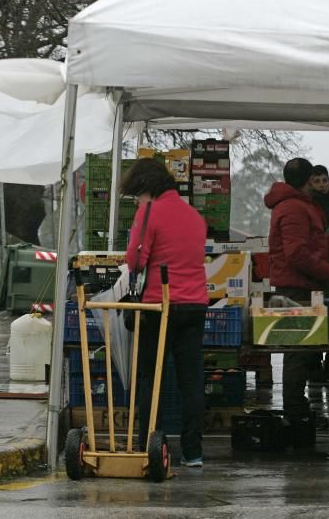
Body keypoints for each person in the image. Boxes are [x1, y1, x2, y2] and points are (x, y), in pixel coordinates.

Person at [264, 158, 329, 424]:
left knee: (303, 351)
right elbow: (296, 253)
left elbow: (321, 241)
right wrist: (327, 272)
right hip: (297, 287)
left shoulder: (301, 207)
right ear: (309, 179)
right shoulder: (293, 209)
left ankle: (298, 410)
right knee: (298, 352)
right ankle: (296, 415)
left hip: (303, 286)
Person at [122, 158, 209, 468]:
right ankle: (193, 450)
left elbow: (135, 260)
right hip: (196, 304)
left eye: (137, 194)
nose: (137, 200)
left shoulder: (149, 212)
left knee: (149, 376)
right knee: (191, 379)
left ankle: (152, 444)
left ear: (146, 188)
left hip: (160, 305)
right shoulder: (194, 216)